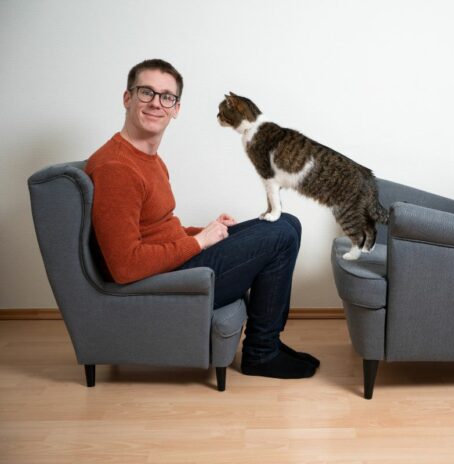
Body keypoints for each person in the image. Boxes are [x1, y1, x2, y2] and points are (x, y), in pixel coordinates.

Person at [85, 58, 318, 379]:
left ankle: (269, 344)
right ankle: (262, 353)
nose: (156, 103)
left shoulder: (146, 157)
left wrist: (208, 230)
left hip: (171, 264)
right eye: (146, 93)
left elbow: (155, 228)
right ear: (127, 98)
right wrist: (199, 241)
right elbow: (126, 266)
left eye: (167, 97)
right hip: (162, 280)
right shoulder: (117, 168)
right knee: (280, 235)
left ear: (176, 108)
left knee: (286, 223)